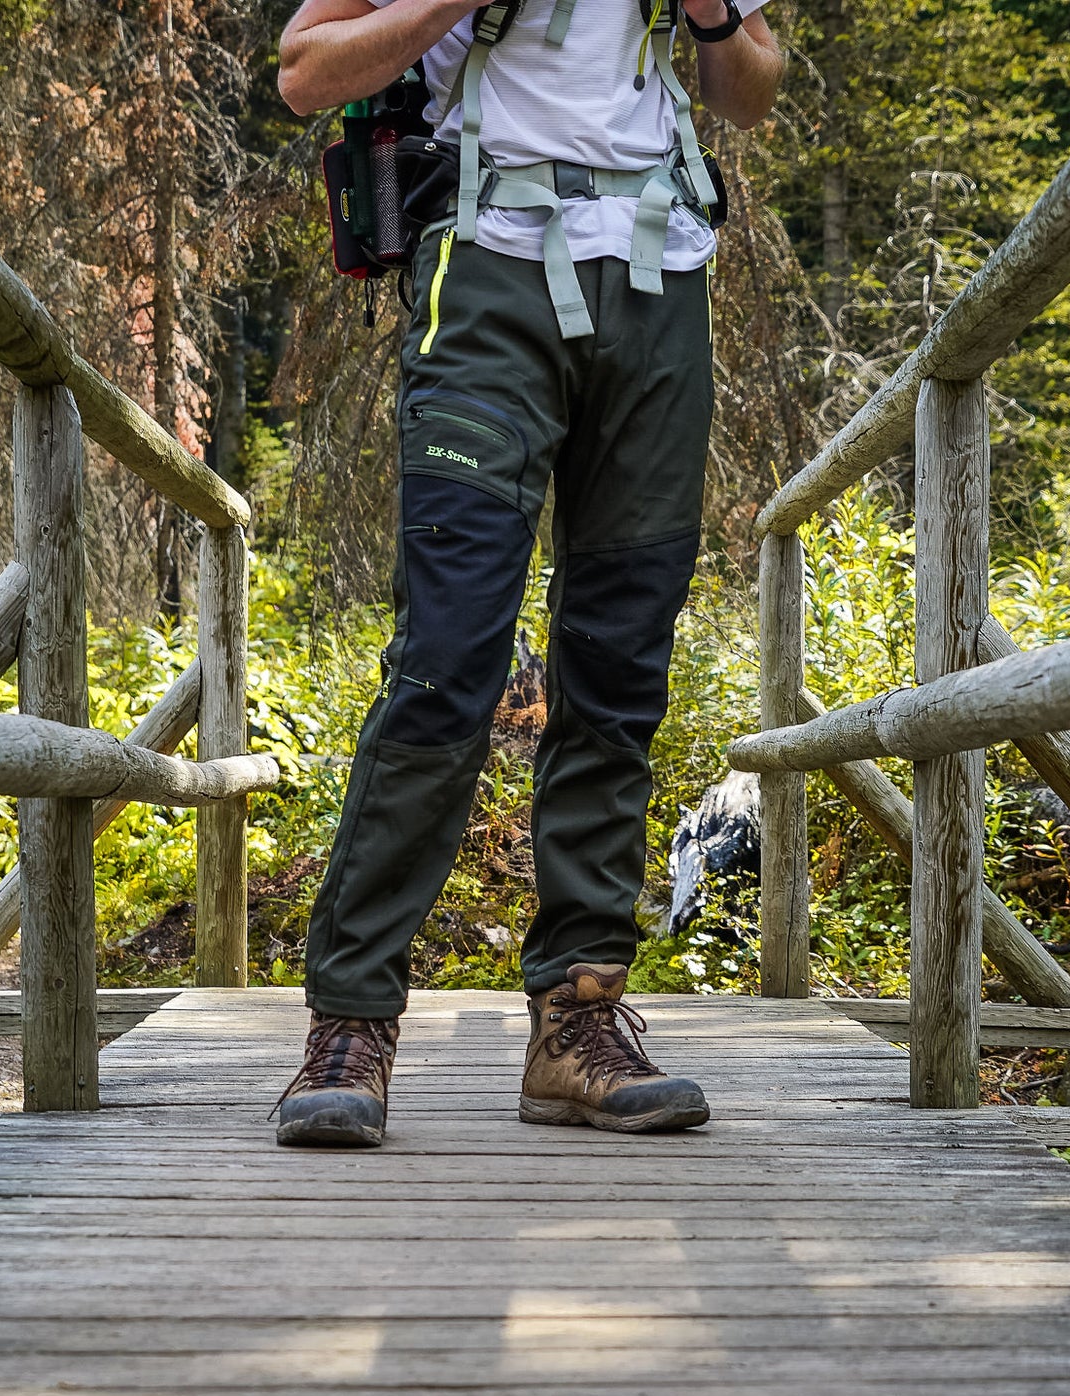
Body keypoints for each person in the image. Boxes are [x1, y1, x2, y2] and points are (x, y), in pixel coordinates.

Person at [271, 0, 784, 1147]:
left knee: (619, 659)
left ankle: (577, 1019)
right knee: (447, 655)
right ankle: (351, 1021)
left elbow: (750, 89)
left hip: (659, 275)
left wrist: (711, 13)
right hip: (486, 273)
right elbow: (304, 70)